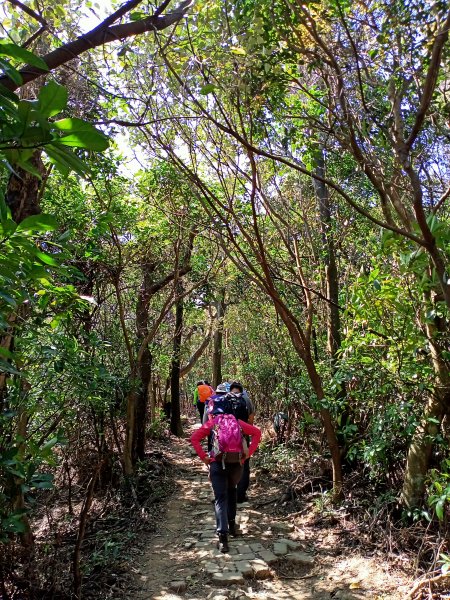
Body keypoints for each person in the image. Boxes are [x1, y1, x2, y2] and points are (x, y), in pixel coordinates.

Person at [190, 412, 261, 553]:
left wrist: (204, 457)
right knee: (232, 490)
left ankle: (223, 539)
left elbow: (194, 438)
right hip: (236, 464)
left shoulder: (213, 423)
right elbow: (257, 433)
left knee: (220, 498)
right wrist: (247, 455)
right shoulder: (238, 422)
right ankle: (232, 526)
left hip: (217, 463)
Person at [228, 382, 256, 503]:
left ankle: (228, 493)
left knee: (227, 464)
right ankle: (240, 495)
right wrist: (246, 430)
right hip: (243, 435)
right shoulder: (246, 399)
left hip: (227, 437)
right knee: (244, 465)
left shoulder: (225, 399)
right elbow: (251, 418)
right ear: (241, 390)